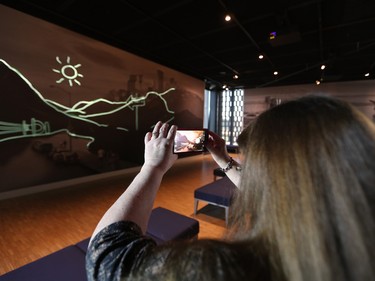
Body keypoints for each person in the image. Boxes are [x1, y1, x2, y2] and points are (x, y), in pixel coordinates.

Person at [86, 95, 375, 281]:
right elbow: (272, 191)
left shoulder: (226, 269)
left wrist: (152, 168)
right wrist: (223, 158)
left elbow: (106, 257)